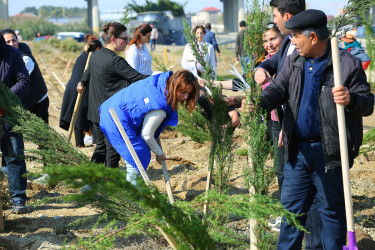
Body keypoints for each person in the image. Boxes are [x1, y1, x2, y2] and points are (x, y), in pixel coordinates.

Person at [259, 10, 374, 249]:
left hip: (330, 153)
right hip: (297, 152)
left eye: (296, 36)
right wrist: (258, 103)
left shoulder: (345, 64)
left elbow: (367, 103)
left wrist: (351, 98)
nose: (291, 41)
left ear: (313, 38)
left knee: (331, 213)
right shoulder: (294, 62)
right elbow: (277, 88)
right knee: (291, 214)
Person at [99, 70, 198, 184]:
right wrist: (159, 153)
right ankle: (133, 196)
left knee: (137, 154)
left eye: (189, 94)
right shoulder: (161, 107)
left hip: (113, 107)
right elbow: (146, 134)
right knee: (138, 155)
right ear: (175, 87)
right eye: (183, 92)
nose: (186, 97)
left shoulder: (161, 82)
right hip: (116, 117)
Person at [77, 22, 149, 168]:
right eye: (124, 39)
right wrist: (160, 78)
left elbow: (87, 73)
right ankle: (111, 184)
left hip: (96, 111)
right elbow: (137, 78)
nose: (128, 42)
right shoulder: (115, 61)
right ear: (113, 39)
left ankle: (92, 180)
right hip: (110, 114)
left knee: (101, 147)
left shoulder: (96, 56)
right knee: (112, 150)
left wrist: (82, 83)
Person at [0, 32, 30, 214]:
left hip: (9, 114)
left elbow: (23, 81)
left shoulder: (12, 54)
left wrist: (4, 98)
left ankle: (18, 198)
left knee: (14, 156)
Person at [60, 35, 102, 147]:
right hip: (81, 87)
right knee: (91, 113)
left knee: (79, 114)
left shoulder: (83, 55)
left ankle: (80, 143)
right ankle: (95, 142)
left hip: (74, 87)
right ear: (98, 49)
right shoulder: (92, 57)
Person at [2, 28, 49, 124]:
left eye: (14, 40)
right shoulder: (7, 57)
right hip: (24, 100)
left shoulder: (25, 58)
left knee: (40, 134)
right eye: (8, 42)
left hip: (37, 101)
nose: (12, 43)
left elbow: (17, 81)